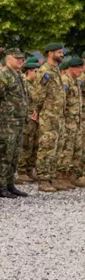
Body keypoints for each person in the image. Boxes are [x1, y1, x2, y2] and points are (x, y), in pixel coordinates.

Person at [0, 49, 29, 198]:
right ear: (8, 59)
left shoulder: (18, 75)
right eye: (17, 58)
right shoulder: (3, 75)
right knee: (4, 154)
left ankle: (10, 183)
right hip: (6, 122)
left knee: (14, 154)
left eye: (22, 58)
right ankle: (0, 186)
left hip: (18, 121)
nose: (20, 61)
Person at [58, 56, 83, 189]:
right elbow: (61, 102)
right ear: (71, 68)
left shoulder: (76, 81)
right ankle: (60, 177)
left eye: (81, 67)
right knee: (65, 150)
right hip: (67, 122)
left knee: (76, 150)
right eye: (78, 68)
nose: (80, 70)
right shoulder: (65, 80)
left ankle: (72, 176)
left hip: (76, 121)